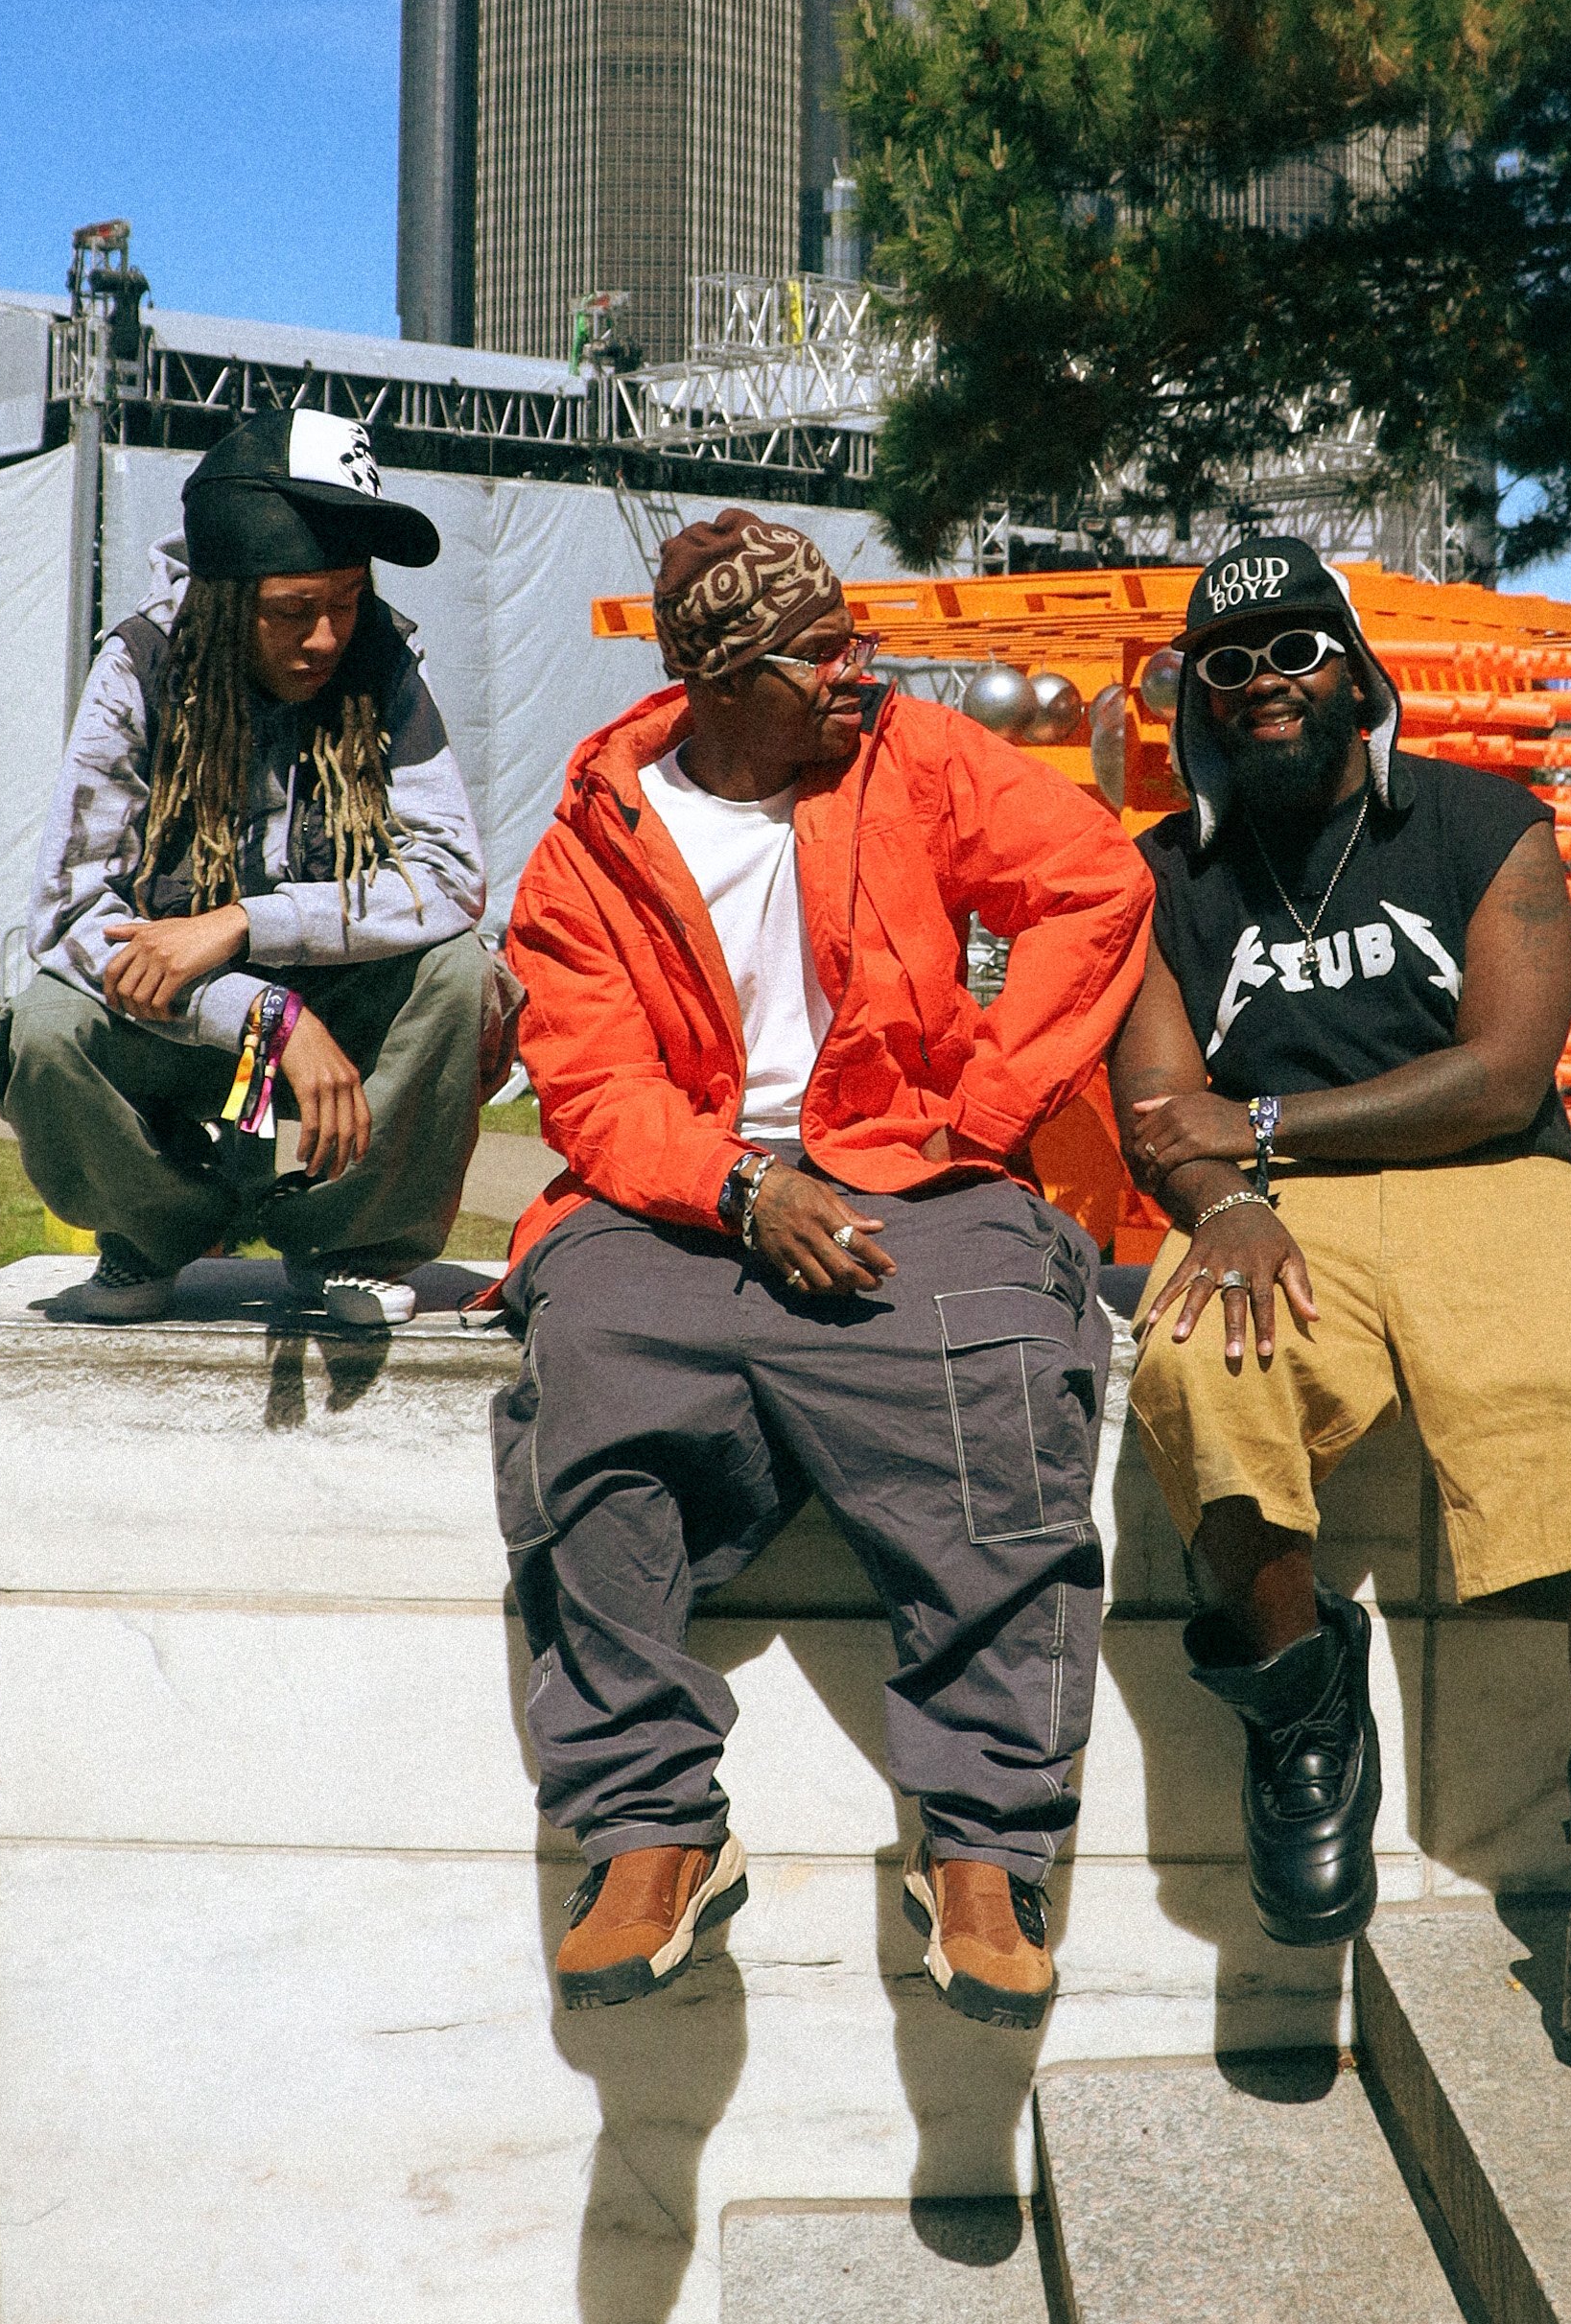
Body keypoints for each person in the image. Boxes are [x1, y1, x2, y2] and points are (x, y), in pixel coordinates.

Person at [1107, 535, 1571, 2058]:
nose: (1266, 681)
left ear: (1356, 674)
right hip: (1269, 1207)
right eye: (1230, 662)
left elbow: (1499, 1072)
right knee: (1203, 1367)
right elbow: (1158, 1108)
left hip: (1491, 1175)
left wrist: (1258, 1124)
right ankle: (1302, 1713)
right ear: (1199, 701)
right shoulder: (1161, 875)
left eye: (1297, 650)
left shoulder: (1483, 821)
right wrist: (1224, 1195)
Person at [491, 510, 1151, 2024]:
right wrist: (739, 1187)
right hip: (680, 1189)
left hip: (908, 1166)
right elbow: (593, 1087)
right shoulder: (594, 839)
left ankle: (982, 1852)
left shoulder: (913, 756)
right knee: (591, 1370)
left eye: (856, 638)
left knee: (1000, 1363)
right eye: (821, 653)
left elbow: (1093, 882)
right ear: (725, 680)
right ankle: (651, 1828)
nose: (860, 670)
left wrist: (984, 1113)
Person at [0, 406, 510, 1326]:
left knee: (461, 975)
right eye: (292, 610)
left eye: (346, 598)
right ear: (228, 598)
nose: (327, 637)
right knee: (45, 1028)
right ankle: (158, 1228)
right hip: (179, 1019)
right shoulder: (138, 667)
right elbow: (68, 913)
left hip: (340, 1010)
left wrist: (243, 923)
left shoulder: (383, 660)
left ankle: (351, 1240)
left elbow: (450, 873)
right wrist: (264, 1014)